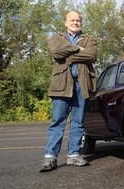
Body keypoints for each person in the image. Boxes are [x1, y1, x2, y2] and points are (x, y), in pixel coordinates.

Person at [40, 11, 97, 172]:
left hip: (82, 85)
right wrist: (77, 49)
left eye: (78, 20)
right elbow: (56, 52)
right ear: (65, 22)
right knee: (58, 121)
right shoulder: (56, 38)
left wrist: (69, 55)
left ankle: (74, 155)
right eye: (72, 20)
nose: (75, 22)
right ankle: (50, 158)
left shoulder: (89, 38)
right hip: (61, 86)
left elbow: (91, 55)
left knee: (78, 123)